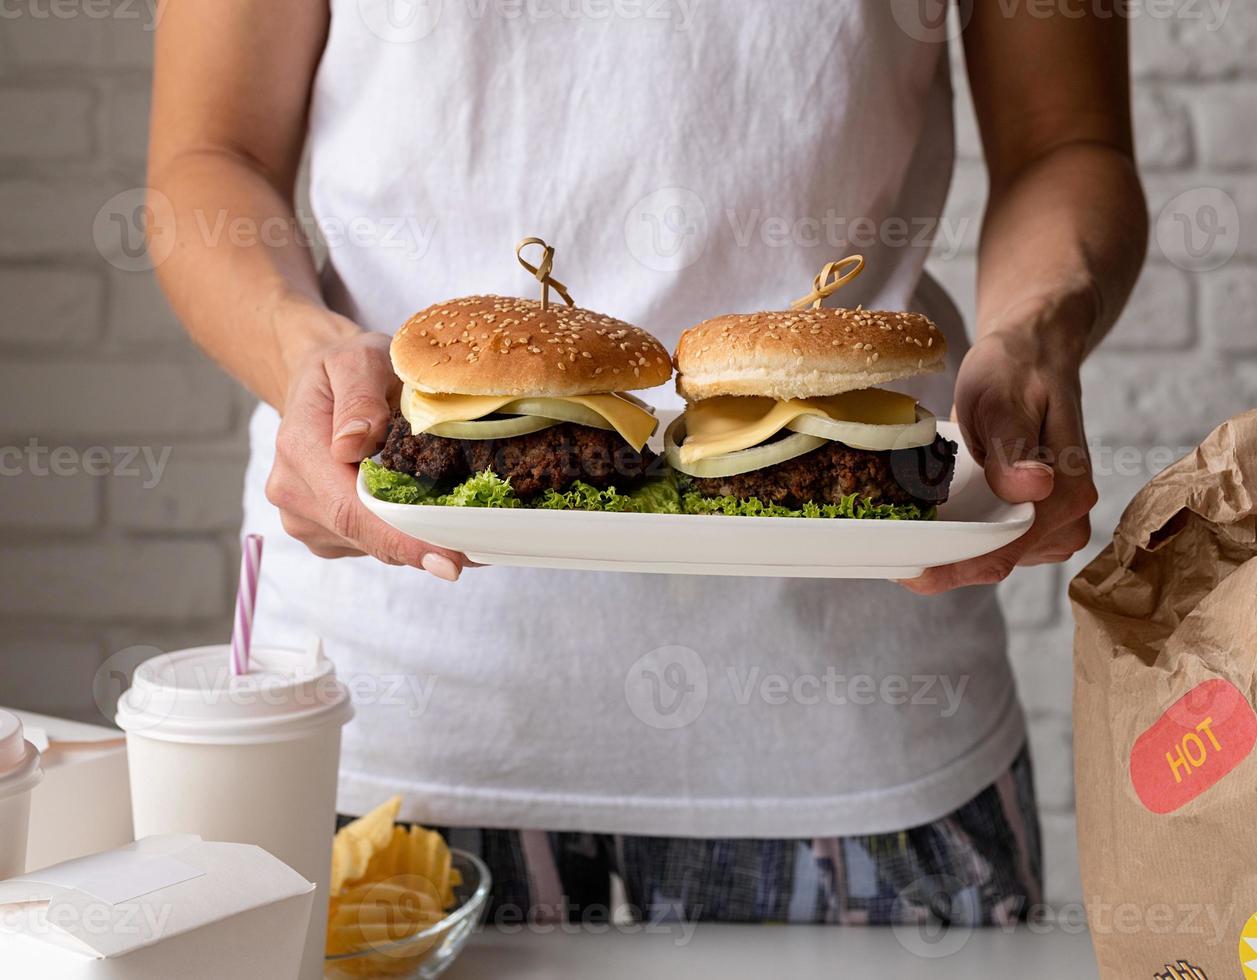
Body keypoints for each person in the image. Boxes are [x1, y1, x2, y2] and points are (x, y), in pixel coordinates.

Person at [149, 1, 1145, 925]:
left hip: (866, 715)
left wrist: (1035, 333)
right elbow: (209, 152)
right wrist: (302, 352)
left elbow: (1067, 140)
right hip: (383, 708)